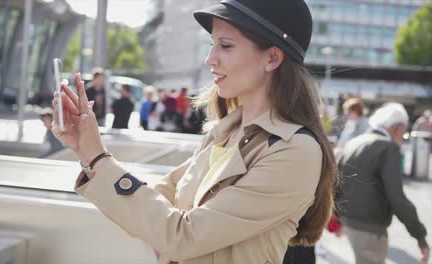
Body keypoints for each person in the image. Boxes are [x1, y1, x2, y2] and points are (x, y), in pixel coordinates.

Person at [51, 0, 337, 263]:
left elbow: (181, 236)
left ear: (272, 58)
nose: (210, 59)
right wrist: (84, 150)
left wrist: (98, 157)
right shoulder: (225, 133)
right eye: (212, 45)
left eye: (225, 46)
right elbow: (159, 202)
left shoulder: (294, 150)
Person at [336, 102, 429, 264]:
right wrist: (420, 235)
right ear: (398, 127)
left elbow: (335, 183)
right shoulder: (388, 148)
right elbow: (397, 198)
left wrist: (335, 220)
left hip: (349, 221)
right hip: (371, 227)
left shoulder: (354, 142)